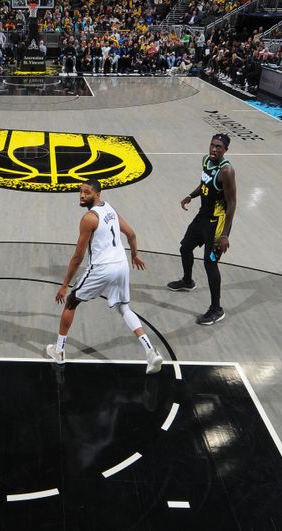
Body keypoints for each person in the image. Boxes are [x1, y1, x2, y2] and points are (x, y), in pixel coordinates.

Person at [45, 179, 163, 374]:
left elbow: (78, 256)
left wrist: (65, 284)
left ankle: (59, 351)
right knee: (124, 307)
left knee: (71, 301)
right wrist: (134, 254)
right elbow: (131, 234)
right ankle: (150, 352)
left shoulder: (89, 219)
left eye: (87, 192)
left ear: (97, 194)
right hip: (122, 265)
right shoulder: (109, 209)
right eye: (80, 191)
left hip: (102, 268)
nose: (82, 195)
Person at [167, 133, 237, 325]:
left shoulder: (227, 172)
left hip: (216, 224)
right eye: (212, 145)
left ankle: (217, 309)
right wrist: (191, 195)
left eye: (219, 147)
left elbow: (232, 204)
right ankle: (187, 281)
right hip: (202, 217)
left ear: (225, 150)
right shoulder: (206, 160)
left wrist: (225, 235)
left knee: (210, 264)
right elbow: (204, 184)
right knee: (184, 248)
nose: (214, 149)